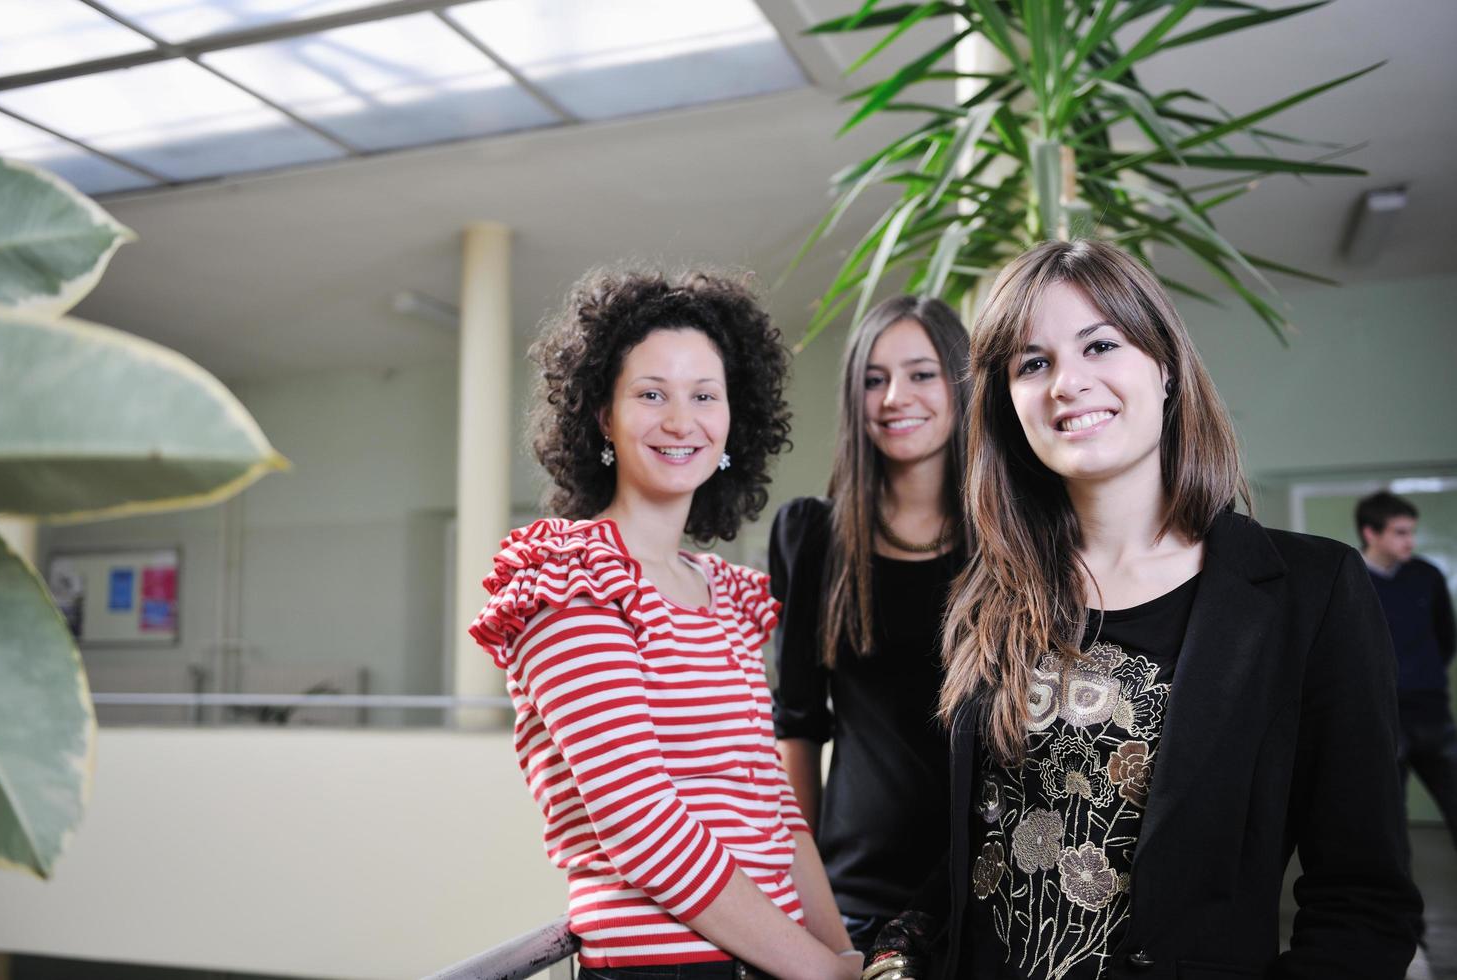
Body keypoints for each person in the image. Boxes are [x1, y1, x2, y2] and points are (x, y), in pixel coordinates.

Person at [865, 240, 1420, 980]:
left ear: (1164, 366)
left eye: (1100, 344)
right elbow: (988, 843)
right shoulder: (991, 593)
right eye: (1033, 364)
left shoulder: (1310, 592)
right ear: (1008, 404)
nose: (1068, 383)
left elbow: (1364, 903)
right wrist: (898, 947)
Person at [469, 269, 861, 980]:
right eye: (651, 394)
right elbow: (643, 826)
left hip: (773, 963)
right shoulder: (571, 579)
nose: (682, 422)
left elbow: (777, 809)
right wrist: (820, 970)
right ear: (602, 418)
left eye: (704, 396)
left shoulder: (724, 595)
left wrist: (843, 955)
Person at [769, 296, 971, 953]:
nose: (894, 398)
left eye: (920, 374)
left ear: (961, 382)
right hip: (854, 898)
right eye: (874, 379)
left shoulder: (1011, 540)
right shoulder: (814, 538)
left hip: (993, 888)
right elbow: (797, 725)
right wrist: (806, 906)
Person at [1357, 491, 1457, 850]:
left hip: (1431, 712)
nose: (1410, 541)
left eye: (1412, 531)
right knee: (1387, 822)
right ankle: (1398, 904)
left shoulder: (1426, 575)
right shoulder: (1351, 579)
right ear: (1371, 533)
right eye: (1400, 532)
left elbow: (1445, 637)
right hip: (1383, 716)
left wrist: (1421, 674)